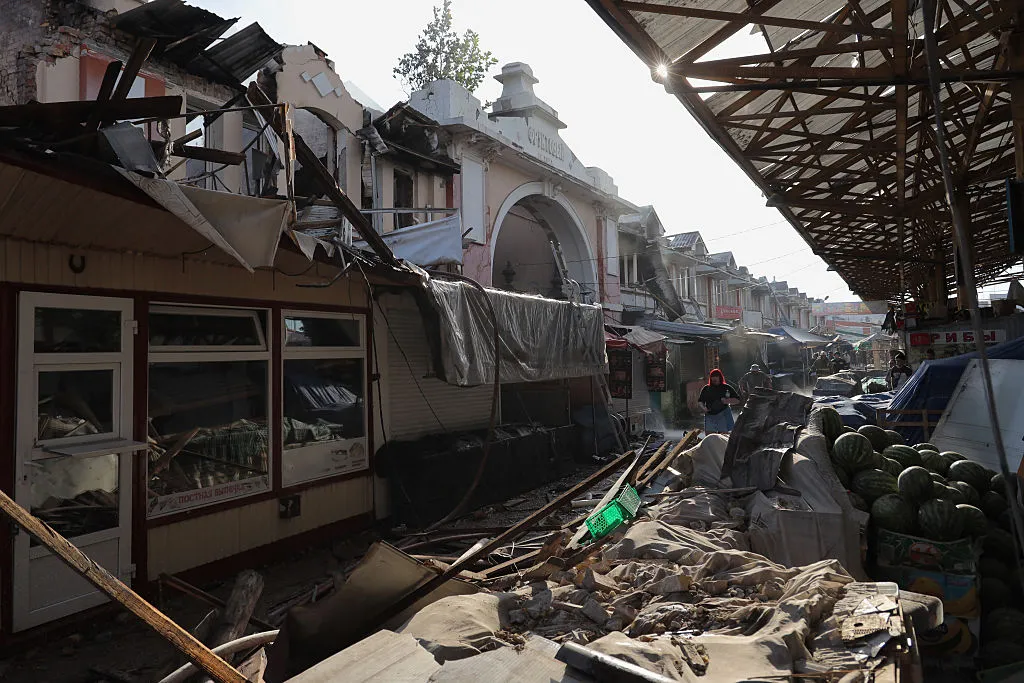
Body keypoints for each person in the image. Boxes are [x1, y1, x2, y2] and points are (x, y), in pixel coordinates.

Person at [698, 369, 741, 434]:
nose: (714, 378)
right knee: (710, 437)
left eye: (716, 376)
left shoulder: (726, 388)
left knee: (723, 437)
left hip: (722, 414)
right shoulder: (706, 388)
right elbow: (700, 401)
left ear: (720, 377)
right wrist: (704, 408)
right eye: (712, 376)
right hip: (710, 414)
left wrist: (727, 401)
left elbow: (737, 400)